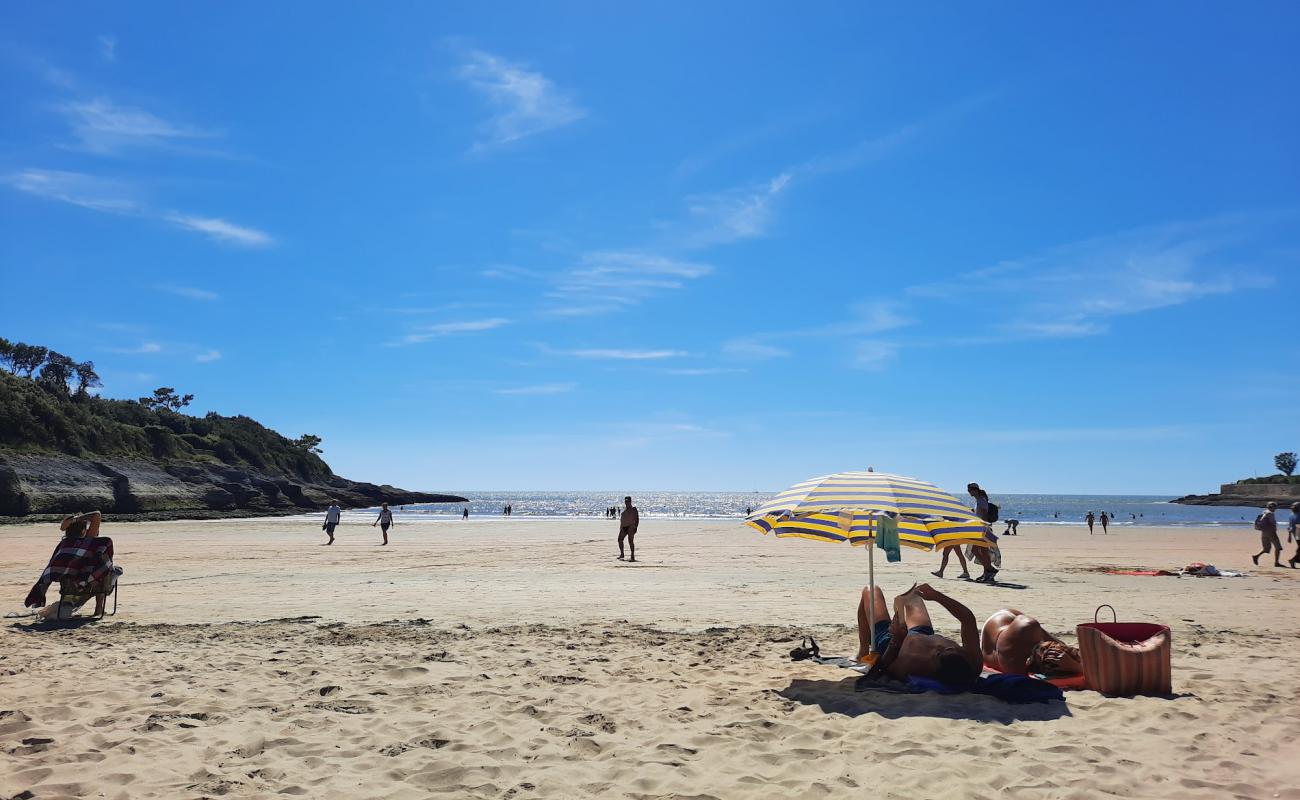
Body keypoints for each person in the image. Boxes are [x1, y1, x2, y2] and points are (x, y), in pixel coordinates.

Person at [858, 582, 981, 690]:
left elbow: (884, 668)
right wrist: (936, 596)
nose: (939, 646)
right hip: (922, 632)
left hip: (894, 643)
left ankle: (863, 651)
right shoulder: (973, 662)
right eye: (950, 648)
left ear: (933, 665)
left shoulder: (913, 665)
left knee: (871, 590)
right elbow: (968, 618)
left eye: (938, 652)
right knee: (914, 595)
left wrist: (896, 641)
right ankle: (899, 606)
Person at [24, 511, 121, 620]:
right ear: (83, 530)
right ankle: (98, 609)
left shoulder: (63, 545)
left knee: (95, 568)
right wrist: (76, 519)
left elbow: (51, 572)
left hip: (69, 587)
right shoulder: (87, 541)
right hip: (91, 585)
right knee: (104, 569)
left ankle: (65, 605)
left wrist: (71, 521)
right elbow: (96, 515)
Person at [981, 608, 1082, 677]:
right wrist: (1076, 667)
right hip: (1005, 626)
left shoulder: (1027, 631)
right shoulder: (1014, 660)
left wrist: (1074, 665)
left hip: (1003, 624)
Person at [967, 483, 999, 583]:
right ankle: (987, 573)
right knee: (983, 551)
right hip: (981, 529)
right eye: (968, 490)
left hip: (982, 529)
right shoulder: (979, 501)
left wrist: (984, 528)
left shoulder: (981, 501)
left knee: (976, 550)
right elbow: (980, 514)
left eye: (970, 489)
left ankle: (990, 569)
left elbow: (984, 515)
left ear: (975, 490)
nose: (969, 492)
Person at [1252, 502, 1283, 567]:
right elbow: (1272, 523)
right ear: (1273, 507)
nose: (1275, 509)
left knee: (1266, 548)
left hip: (1264, 532)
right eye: (1275, 507)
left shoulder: (1264, 512)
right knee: (1278, 547)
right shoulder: (1271, 514)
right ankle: (1276, 563)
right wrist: (1274, 531)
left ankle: (1256, 556)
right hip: (1271, 532)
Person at [617, 496, 639, 562]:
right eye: (626, 501)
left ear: (630, 501)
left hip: (631, 527)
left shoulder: (633, 509)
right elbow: (622, 520)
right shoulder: (624, 510)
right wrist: (621, 528)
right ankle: (622, 554)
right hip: (624, 527)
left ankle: (632, 556)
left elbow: (637, 518)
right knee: (619, 539)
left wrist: (635, 527)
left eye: (628, 501)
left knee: (630, 541)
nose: (627, 502)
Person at [1288, 502, 1300, 569]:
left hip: (1295, 533)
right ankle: (1293, 560)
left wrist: (1289, 535)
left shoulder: (1291, 515)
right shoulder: (1298, 515)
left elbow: (1290, 527)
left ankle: (1293, 560)